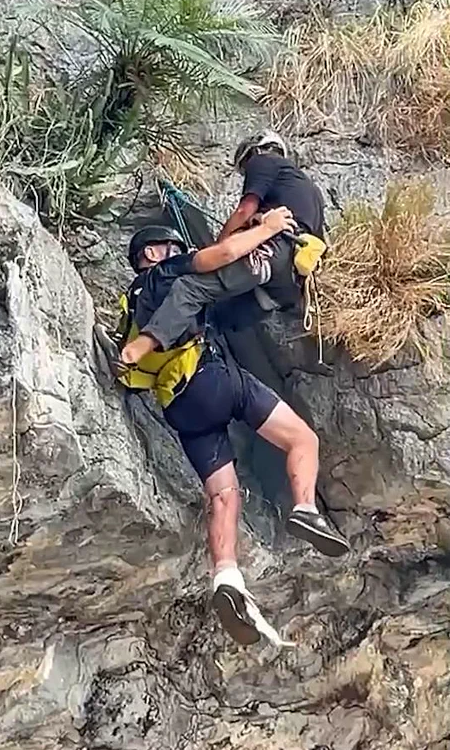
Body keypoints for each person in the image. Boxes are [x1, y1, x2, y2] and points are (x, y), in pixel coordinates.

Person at [116, 221, 349, 648]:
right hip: (212, 378)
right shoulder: (165, 273)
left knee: (224, 495)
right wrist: (270, 229)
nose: (178, 251)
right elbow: (219, 257)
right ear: (150, 253)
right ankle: (304, 508)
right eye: (171, 246)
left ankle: (226, 577)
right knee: (302, 440)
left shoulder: (134, 301)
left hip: (179, 407)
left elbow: (219, 307)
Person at [120, 130, 326, 368]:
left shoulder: (263, 161)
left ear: (254, 151)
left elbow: (244, 211)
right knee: (219, 314)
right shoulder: (311, 192)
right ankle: (196, 352)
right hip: (288, 281)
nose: (247, 172)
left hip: (270, 252)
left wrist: (220, 244)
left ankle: (136, 350)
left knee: (190, 289)